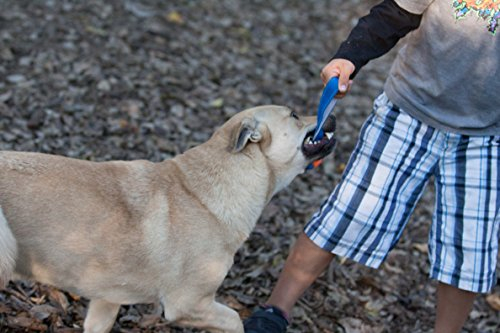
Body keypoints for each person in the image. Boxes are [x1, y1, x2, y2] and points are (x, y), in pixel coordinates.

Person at [243, 0, 500, 332]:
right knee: (350, 211)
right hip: (410, 111)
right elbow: (394, 15)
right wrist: (347, 58)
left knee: (468, 246)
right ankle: (275, 310)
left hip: (486, 135)